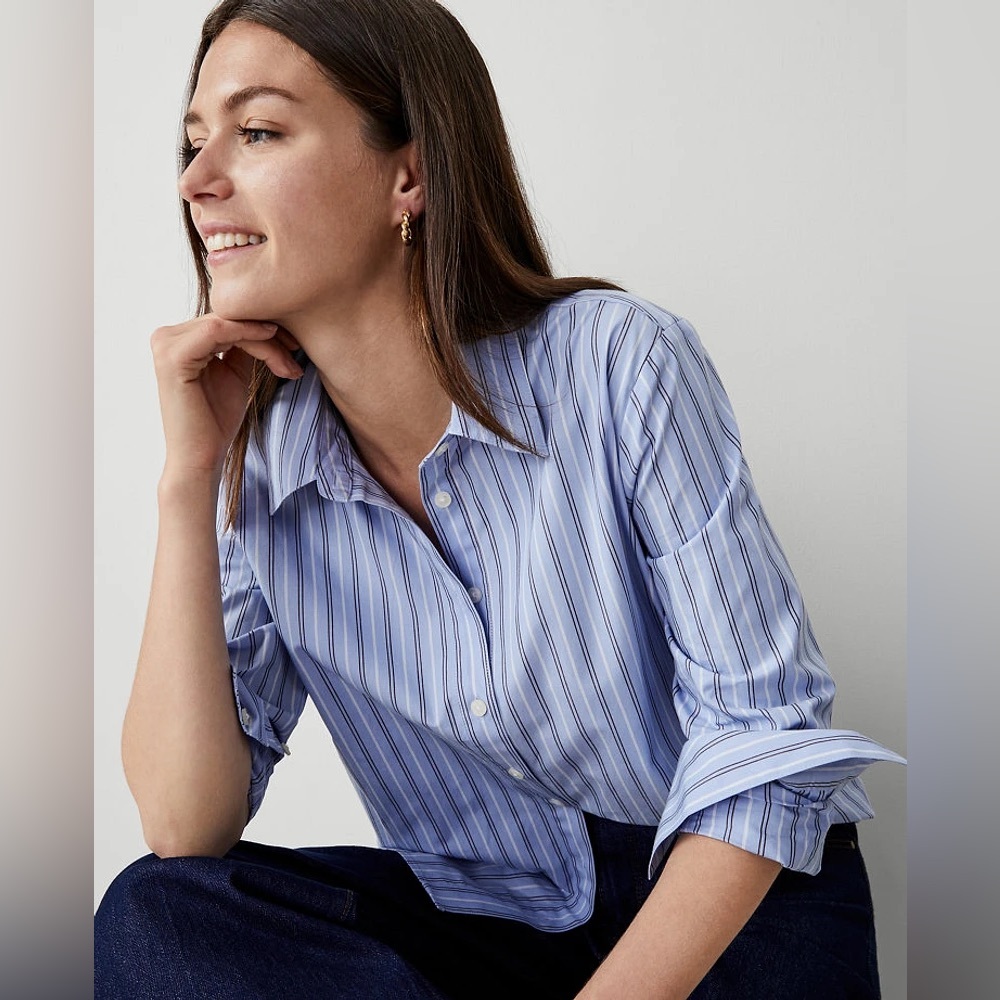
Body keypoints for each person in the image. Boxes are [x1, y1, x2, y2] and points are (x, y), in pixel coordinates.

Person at [95, 1, 905, 997]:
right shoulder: (263, 461)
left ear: (411, 172)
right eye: (192, 141)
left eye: (256, 131)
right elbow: (186, 823)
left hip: (723, 908)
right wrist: (187, 482)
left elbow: (766, 744)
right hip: (492, 926)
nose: (195, 181)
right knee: (154, 913)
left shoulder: (618, 362)